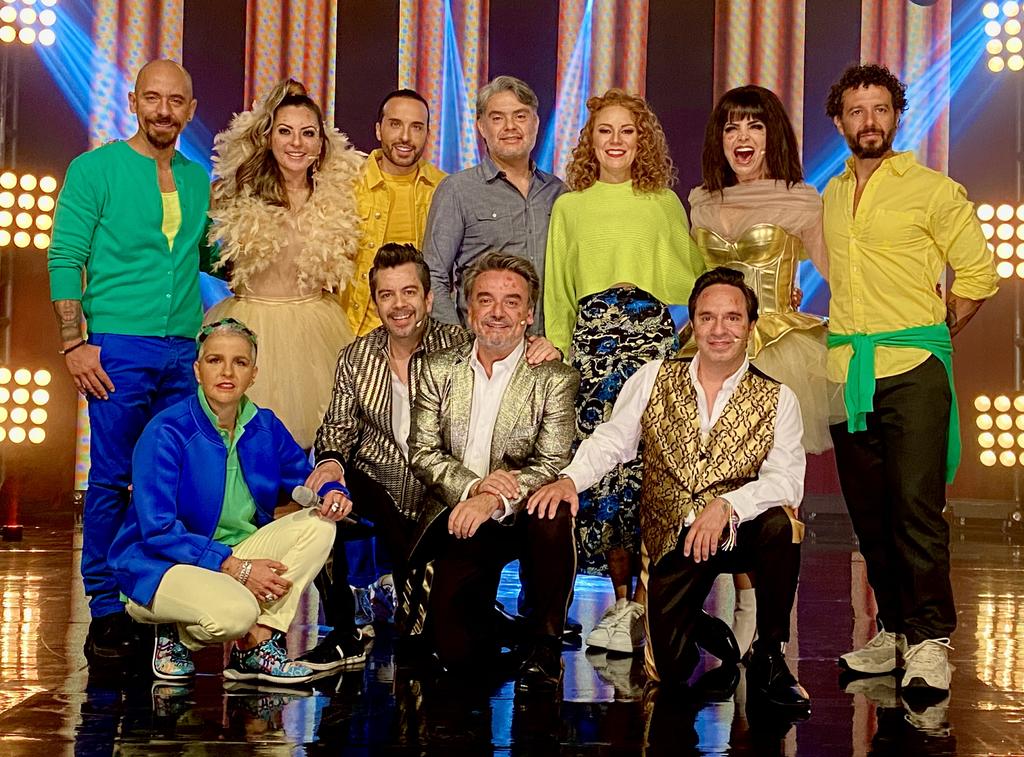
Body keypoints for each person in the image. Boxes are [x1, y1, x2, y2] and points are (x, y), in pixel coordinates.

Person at [530, 267, 810, 712]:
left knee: (782, 525)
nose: (719, 330)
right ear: (692, 324)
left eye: (732, 318)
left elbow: (787, 481)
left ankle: (770, 655)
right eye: (707, 318)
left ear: (751, 326)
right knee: (671, 673)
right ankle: (693, 620)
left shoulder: (779, 398)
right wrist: (570, 479)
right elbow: (612, 441)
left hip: (739, 532)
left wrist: (728, 505)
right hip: (672, 537)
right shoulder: (653, 377)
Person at [297, 244, 561, 671]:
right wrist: (329, 463)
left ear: (428, 297)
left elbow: (505, 347)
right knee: (322, 507)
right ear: (375, 302)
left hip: (440, 494)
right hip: (379, 486)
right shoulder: (356, 357)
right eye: (387, 295)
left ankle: (483, 619)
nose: (399, 305)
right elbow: (337, 429)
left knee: (430, 643)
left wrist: (544, 348)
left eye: (409, 292)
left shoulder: (458, 344)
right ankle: (344, 632)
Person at [822, 64, 998, 693]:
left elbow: (978, 274)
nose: (869, 121)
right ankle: (894, 629)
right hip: (849, 372)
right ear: (839, 121)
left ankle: (929, 640)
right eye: (856, 110)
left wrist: (935, 332)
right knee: (869, 515)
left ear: (897, 116)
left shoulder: (933, 190)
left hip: (912, 369)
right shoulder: (832, 193)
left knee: (916, 511)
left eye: (880, 109)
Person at [48, 59, 212, 664]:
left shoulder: (197, 179)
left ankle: (152, 598)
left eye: (176, 100)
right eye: (153, 98)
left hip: (183, 348)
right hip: (117, 345)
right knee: (113, 477)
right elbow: (65, 256)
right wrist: (74, 342)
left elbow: (213, 255)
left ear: (191, 109)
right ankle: (105, 607)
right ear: (134, 102)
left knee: (169, 479)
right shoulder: (95, 169)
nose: (164, 110)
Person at [543, 88, 705, 655]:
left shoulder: (662, 202)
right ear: (590, 140)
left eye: (627, 131)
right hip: (593, 351)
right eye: (604, 130)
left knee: (648, 469)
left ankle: (646, 599)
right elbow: (558, 289)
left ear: (644, 141)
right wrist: (562, 356)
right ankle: (618, 603)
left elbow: (693, 277)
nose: (615, 141)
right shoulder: (571, 206)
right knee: (605, 471)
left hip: (650, 346)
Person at [107, 319, 346, 685]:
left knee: (319, 525)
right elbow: (158, 531)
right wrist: (236, 567)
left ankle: (257, 645)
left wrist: (333, 493)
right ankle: (172, 631)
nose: (227, 372)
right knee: (237, 614)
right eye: (215, 360)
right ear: (197, 369)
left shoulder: (264, 425)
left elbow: (307, 478)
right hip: (163, 563)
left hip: (234, 555)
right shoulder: (166, 431)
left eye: (240, 362)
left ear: (254, 374)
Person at [687, 84, 833, 656]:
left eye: (754, 125)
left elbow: (841, 274)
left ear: (774, 135)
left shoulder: (802, 199)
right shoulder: (701, 200)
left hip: (778, 349)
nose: (742, 137)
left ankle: (771, 630)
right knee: (717, 481)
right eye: (731, 127)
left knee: (775, 492)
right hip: (714, 348)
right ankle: (738, 601)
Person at [408, 251, 579, 693]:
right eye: (485, 300)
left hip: (523, 513)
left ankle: (545, 642)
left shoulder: (554, 377)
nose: (497, 312)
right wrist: (473, 487)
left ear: (528, 314)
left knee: (554, 510)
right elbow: (422, 452)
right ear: (469, 310)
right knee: (455, 654)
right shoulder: (437, 369)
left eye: (511, 301)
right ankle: (502, 626)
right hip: (462, 515)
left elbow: (552, 464)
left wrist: (495, 497)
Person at [205, 78, 363, 449]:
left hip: (315, 328)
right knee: (245, 440)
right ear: (268, 137)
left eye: (308, 133)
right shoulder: (235, 191)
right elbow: (201, 252)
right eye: (285, 131)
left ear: (321, 143)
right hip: (252, 322)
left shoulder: (338, 196)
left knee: (315, 441)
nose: (296, 143)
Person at [423, 75, 565, 333]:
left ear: (535, 123)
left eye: (520, 116)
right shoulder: (457, 190)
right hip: (481, 345)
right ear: (481, 126)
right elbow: (433, 275)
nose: (510, 126)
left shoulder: (558, 193)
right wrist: (456, 340)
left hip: (547, 346)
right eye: (498, 118)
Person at [343, 89, 447, 337]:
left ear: (427, 134)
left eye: (416, 127)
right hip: (350, 333)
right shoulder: (346, 184)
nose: (405, 137)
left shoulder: (445, 189)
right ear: (378, 130)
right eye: (395, 124)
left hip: (420, 338)